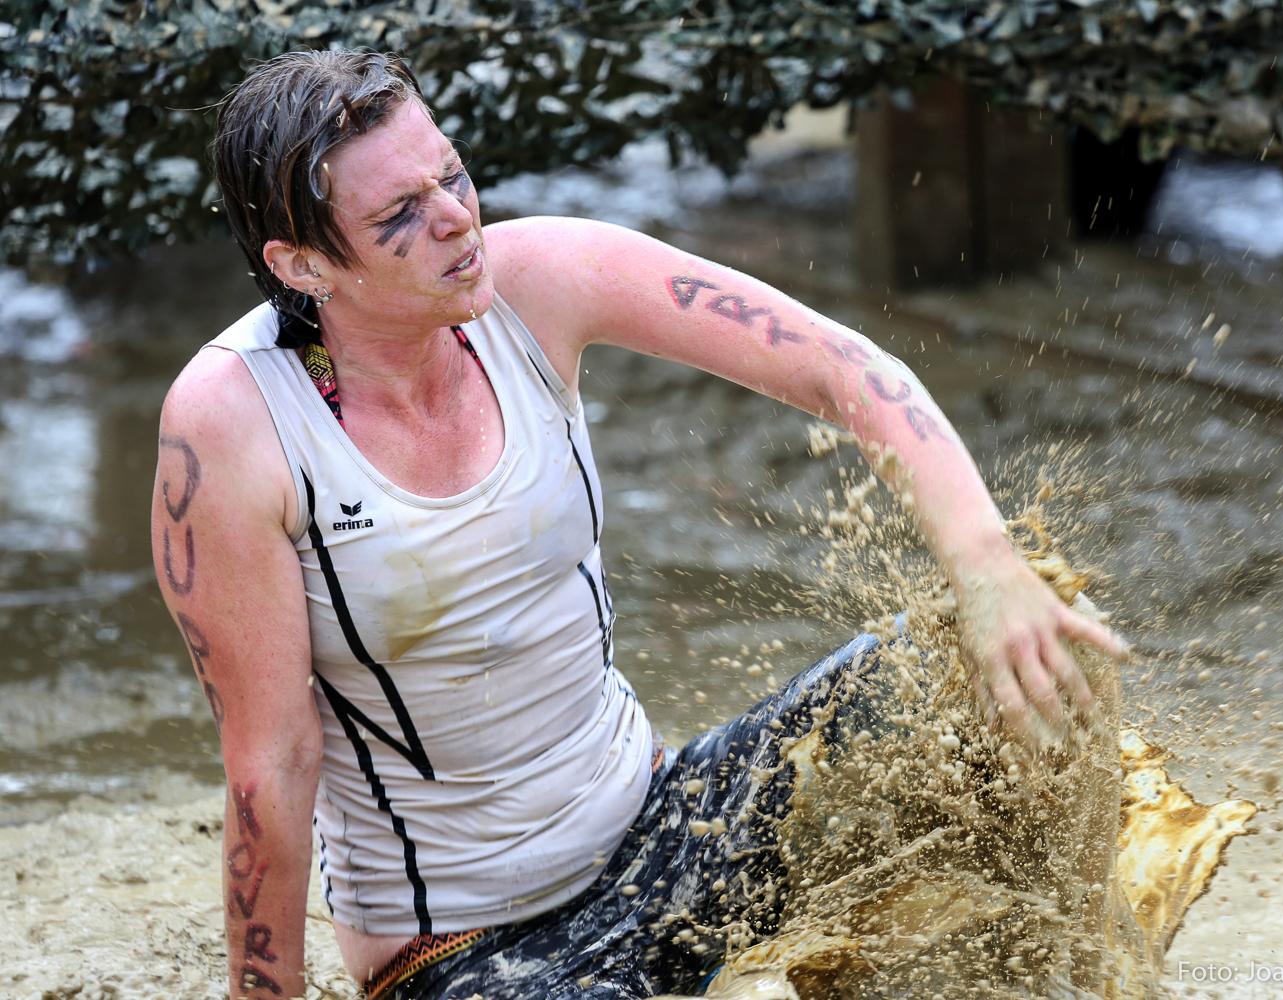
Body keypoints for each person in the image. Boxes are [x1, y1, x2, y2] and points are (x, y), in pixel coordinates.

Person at [150, 50, 1126, 999]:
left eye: (450, 174)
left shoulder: (538, 276)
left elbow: (843, 367)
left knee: (1028, 647)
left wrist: (988, 566)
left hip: (670, 825)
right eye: (401, 214)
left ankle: (1058, 980)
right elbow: (273, 761)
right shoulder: (235, 425)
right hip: (468, 948)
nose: (455, 217)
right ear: (303, 263)